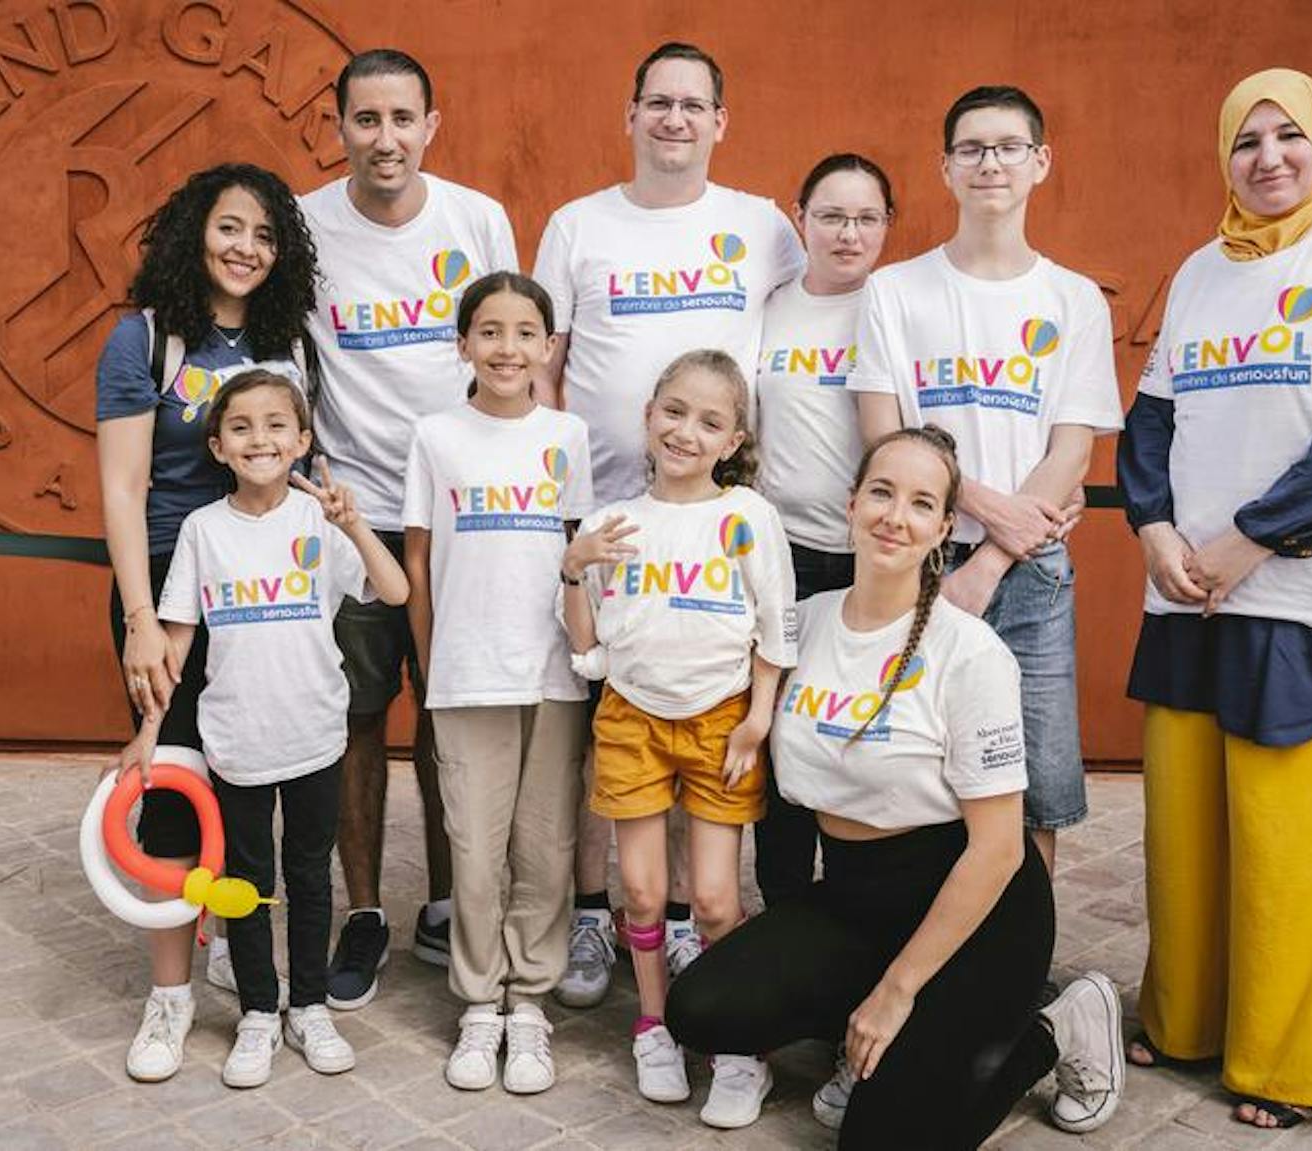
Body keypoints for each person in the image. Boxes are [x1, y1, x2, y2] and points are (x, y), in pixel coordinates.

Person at [1116, 67, 1312, 1131]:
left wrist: (1247, 541)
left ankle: (1280, 1060)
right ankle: (1185, 1016)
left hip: (1303, 603)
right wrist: (1157, 531)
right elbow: (1150, 423)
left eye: (1285, 136)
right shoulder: (1200, 271)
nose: (1265, 158)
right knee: (1186, 843)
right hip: (1185, 600)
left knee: (1293, 857)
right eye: (1244, 140)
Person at [665, 426, 1126, 1147]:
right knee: (699, 1007)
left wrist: (896, 991)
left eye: (920, 503)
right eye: (880, 492)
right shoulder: (804, 625)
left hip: (978, 911)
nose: (894, 515)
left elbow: (999, 850)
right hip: (855, 897)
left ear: (944, 527)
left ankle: (1050, 1031)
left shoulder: (968, 652)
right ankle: (891, 1043)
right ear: (851, 504)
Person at [535, 41, 804, 1006]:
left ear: (720, 122)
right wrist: (571, 507)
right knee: (610, 727)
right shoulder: (577, 225)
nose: (675, 120)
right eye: (658, 102)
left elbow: (806, 322)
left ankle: (697, 930)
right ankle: (600, 914)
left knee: (710, 710)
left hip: (716, 529)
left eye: (695, 105)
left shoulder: (763, 227)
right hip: (613, 517)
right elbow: (550, 364)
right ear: (631, 112)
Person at [301, 48, 522, 1008]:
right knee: (353, 717)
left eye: (402, 119)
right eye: (365, 120)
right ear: (339, 124)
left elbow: (514, 351)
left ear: (433, 123)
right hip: (352, 516)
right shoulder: (305, 227)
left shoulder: (476, 219)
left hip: (462, 516)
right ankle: (362, 912)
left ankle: (444, 901)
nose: (384, 139)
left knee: (452, 716)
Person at [851, 85, 1118, 876]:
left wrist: (992, 560)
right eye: (972, 148)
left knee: (1034, 779)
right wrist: (971, 506)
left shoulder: (1073, 300)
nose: (989, 162)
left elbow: (1071, 450)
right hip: (917, 561)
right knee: (915, 768)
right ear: (946, 167)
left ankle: (1018, 963)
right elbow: (883, 434)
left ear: (1041, 162)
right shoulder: (896, 291)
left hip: (1030, 572)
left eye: (1008, 147)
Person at [94, 162, 318, 1084]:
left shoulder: (284, 342)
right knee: (174, 781)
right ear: (195, 232)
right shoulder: (142, 339)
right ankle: (172, 996)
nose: (246, 249)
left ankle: (253, 964)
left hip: (261, 588)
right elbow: (122, 484)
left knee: (253, 776)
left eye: (265, 236)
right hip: (164, 588)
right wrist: (142, 621)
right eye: (231, 228)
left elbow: (294, 459)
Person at [143, 370, 409, 1088]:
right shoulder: (202, 531)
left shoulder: (320, 520)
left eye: (274, 424)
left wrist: (353, 522)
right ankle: (260, 1009)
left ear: (302, 439)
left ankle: (310, 1003)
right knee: (249, 882)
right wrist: (147, 733)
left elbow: (395, 590)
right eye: (241, 427)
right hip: (236, 738)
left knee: (310, 874)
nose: (259, 438)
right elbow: (173, 642)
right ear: (218, 446)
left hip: (315, 733)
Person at [558, 350, 795, 1127]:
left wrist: (759, 717)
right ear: (649, 414)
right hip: (631, 717)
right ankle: (654, 1024)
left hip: (721, 719)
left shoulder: (747, 517)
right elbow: (587, 649)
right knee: (646, 894)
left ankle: (735, 1044)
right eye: (674, 411)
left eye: (710, 421)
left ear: (733, 440)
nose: (686, 431)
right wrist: (573, 567)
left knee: (720, 900)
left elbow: (774, 624)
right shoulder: (609, 524)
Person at [403, 272, 594, 1095]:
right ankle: (480, 1002)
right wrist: (429, 660)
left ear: (548, 346)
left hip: (551, 671)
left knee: (544, 846)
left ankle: (531, 1001)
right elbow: (417, 560)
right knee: (474, 850)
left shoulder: (568, 433)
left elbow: (576, 553)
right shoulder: (436, 435)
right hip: (465, 670)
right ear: (463, 344)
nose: (507, 348)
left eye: (525, 332)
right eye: (489, 331)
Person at [751, 151, 896, 912]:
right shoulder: (769, 307)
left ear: (887, 228)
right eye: (832, 216)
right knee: (783, 733)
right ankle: (784, 909)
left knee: (859, 734)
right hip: (784, 556)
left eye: (867, 218)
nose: (848, 233)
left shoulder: (898, 304)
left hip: (874, 559)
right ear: (799, 218)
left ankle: (857, 906)